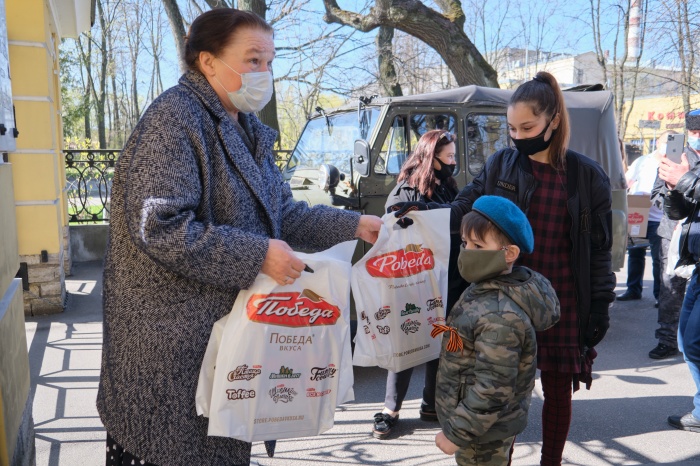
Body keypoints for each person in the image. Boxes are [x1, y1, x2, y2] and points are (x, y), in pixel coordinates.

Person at [96, 9, 382, 466]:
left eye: (269, 61)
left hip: (226, 348)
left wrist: (354, 225)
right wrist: (257, 256)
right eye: (252, 60)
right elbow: (162, 227)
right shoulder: (174, 119)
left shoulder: (244, 126)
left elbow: (282, 214)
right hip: (170, 356)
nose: (264, 73)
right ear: (208, 62)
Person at [392, 71, 615, 465]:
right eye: (511, 128)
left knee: (558, 389)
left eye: (527, 127)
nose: (518, 136)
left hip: (560, 294)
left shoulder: (587, 176)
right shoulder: (502, 164)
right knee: (504, 388)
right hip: (504, 295)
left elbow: (598, 251)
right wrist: (424, 213)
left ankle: (552, 461)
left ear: (555, 121)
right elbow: (466, 205)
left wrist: (599, 305)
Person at [432, 195, 560, 465]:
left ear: (509, 253)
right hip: (480, 426)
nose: (466, 251)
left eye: (478, 244)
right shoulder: (488, 287)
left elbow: (493, 387)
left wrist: (457, 432)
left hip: (481, 434)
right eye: (465, 243)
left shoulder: (500, 313)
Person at [372, 129, 468, 438]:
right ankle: (391, 408)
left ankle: (430, 403)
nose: (454, 163)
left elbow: (459, 218)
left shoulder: (447, 187)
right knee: (407, 341)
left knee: (440, 339)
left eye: (454, 156)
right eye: (449, 157)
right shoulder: (405, 190)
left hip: (448, 277)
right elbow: (394, 230)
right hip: (413, 279)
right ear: (432, 158)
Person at [657, 108, 700, 432]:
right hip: (696, 265)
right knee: (688, 341)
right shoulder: (693, 165)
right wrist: (673, 187)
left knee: (694, 340)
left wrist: (685, 179)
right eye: (693, 131)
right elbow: (680, 212)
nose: (695, 137)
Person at [617, 131, 677, 304]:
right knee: (635, 254)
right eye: (667, 141)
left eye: (673, 142)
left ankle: (660, 295)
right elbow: (626, 180)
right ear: (658, 142)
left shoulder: (676, 163)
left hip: (661, 219)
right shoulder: (643, 161)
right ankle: (633, 289)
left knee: (659, 259)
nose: (669, 145)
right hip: (639, 216)